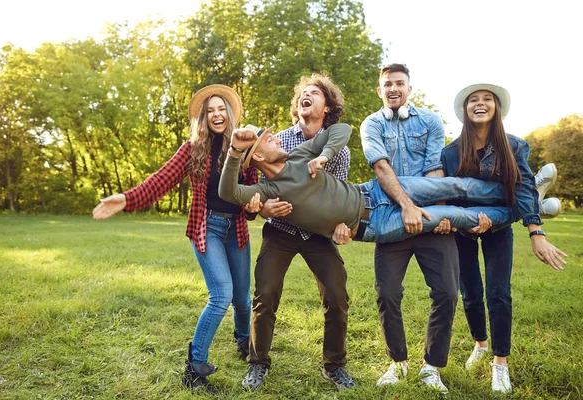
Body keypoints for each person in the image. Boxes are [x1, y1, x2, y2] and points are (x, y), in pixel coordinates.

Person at [92, 84, 260, 393]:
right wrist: (126, 199)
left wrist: (252, 207)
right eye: (209, 111)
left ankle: (242, 341)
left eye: (221, 108)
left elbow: (252, 194)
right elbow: (160, 181)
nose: (216, 114)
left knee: (242, 298)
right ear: (203, 118)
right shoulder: (192, 149)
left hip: (236, 229)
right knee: (221, 294)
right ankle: (195, 367)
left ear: (230, 113)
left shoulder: (246, 148)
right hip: (206, 226)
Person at [441, 82, 567, 393]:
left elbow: (521, 189)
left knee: (498, 294)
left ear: (496, 109)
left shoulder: (515, 146)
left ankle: (500, 363)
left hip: (499, 229)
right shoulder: (450, 152)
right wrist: (465, 222)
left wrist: (536, 231)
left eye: (487, 99)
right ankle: (480, 345)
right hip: (463, 231)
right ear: (465, 110)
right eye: (473, 100)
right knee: (469, 293)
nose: (480, 103)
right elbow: (448, 194)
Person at [220, 124, 522, 250]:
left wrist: (324, 155)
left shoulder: (300, 154)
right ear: (258, 155)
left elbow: (341, 129)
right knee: (454, 216)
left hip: (375, 190)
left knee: (453, 185)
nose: (277, 138)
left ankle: (521, 195)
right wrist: (234, 150)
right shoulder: (268, 191)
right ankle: (517, 211)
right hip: (374, 223)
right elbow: (228, 193)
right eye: (269, 140)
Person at [240, 74, 357, 391]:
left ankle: (334, 366)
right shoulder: (278, 140)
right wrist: (263, 209)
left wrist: (342, 228)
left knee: (337, 295)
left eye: (314, 93)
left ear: (327, 106)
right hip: (280, 230)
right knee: (265, 294)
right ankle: (257, 365)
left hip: (316, 236)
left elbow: (334, 201)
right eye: (302, 93)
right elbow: (256, 191)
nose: (306, 96)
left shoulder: (339, 152)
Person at [359, 63, 458, 392]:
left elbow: (434, 168)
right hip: (390, 219)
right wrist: (406, 207)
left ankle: (431, 367)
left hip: (428, 219)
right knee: (387, 293)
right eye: (387, 84)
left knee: (446, 291)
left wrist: (438, 213)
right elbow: (382, 168)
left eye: (399, 83)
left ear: (409, 88)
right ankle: (398, 362)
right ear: (380, 90)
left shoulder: (430, 121)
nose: (393, 89)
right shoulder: (371, 124)